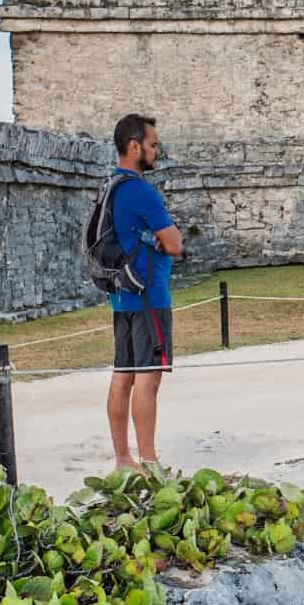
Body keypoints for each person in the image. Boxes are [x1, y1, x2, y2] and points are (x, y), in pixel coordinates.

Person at [104, 114, 182, 469]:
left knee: (123, 376)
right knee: (147, 378)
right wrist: (167, 237)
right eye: (152, 144)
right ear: (134, 146)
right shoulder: (140, 190)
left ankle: (123, 458)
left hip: (121, 295)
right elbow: (174, 242)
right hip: (149, 295)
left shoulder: (111, 188)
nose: (155, 151)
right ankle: (149, 461)